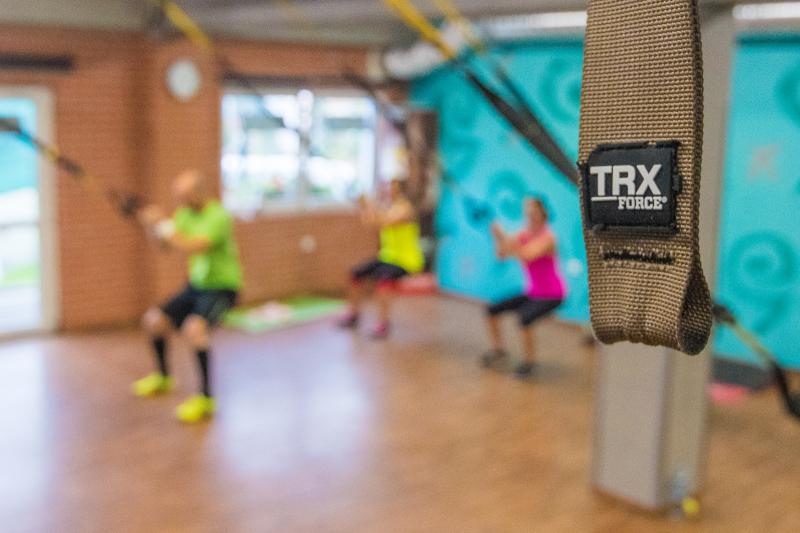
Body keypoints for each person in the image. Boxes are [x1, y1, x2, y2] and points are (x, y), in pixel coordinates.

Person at [133, 170, 242, 423]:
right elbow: (164, 246)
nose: (180, 201)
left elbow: (193, 246)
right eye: (178, 196)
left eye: (184, 196)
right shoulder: (184, 214)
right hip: (197, 285)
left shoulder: (218, 216)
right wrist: (152, 227)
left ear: (199, 192)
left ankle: (205, 398)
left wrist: (163, 224)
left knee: (195, 329)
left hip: (222, 287)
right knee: (154, 321)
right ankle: (163, 377)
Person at [482, 197, 566, 378]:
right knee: (491, 310)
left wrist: (505, 238)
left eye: (534, 209)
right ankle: (499, 350)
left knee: (524, 318)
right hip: (533, 292)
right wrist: (497, 236)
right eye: (527, 209)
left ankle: (529, 363)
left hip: (553, 294)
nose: (530, 213)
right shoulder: (523, 234)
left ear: (543, 213)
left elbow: (527, 255)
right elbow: (501, 254)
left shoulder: (548, 237)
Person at [338, 179, 425, 339]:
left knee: (384, 281)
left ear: (400, 190)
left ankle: (383, 324)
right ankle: (353, 314)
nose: (388, 190)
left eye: (392, 187)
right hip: (387, 258)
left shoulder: (406, 209)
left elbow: (386, 221)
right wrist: (364, 205)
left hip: (406, 261)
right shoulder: (388, 207)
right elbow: (371, 222)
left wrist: (368, 205)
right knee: (355, 274)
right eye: (388, 187)